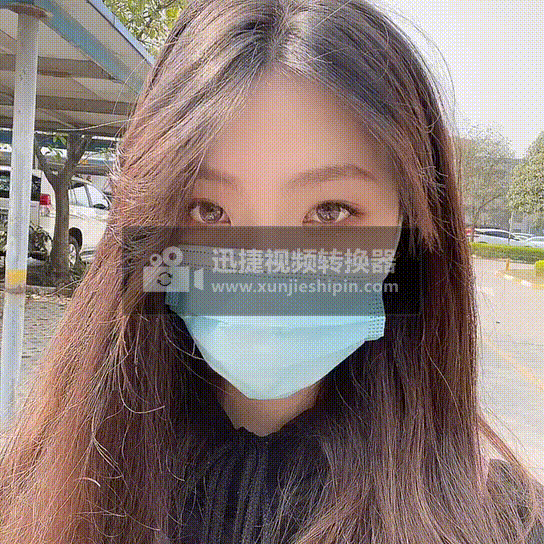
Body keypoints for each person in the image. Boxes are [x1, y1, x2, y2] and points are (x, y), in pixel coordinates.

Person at [0, 1, 542, 543]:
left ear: (409, 232)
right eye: (209, 211)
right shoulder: (37, 493)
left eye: (329, 212)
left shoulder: (500, 522)